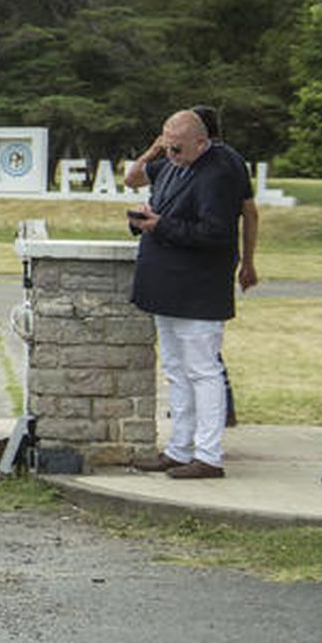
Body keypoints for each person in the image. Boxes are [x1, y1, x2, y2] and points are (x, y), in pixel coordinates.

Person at [125, 109, 246, 479]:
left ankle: (208, 455)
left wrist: (161, 226)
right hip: (167, 284)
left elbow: (216, 233)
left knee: (203, 370)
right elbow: (136, 179)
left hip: (198, 288)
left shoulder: (219, 171)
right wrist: (147, 217)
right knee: (177, 371)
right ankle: (179, 448)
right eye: (167, 145)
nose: (171, 154)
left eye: (177, 147)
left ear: (201, 140)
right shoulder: (175, 165)